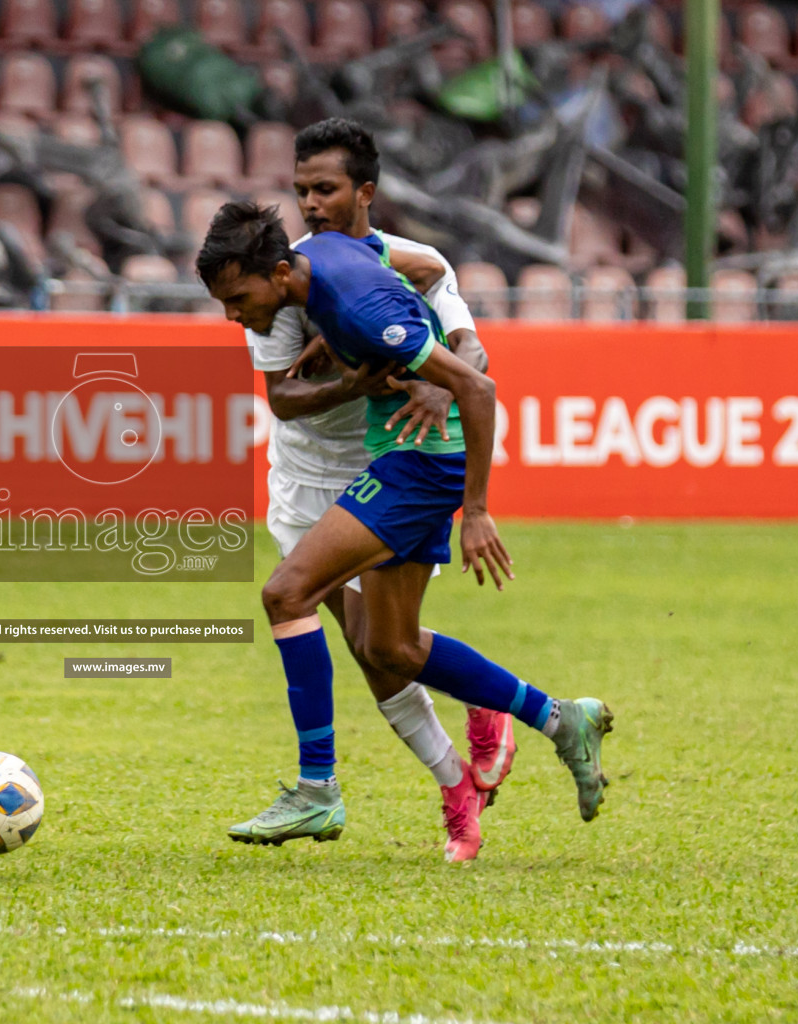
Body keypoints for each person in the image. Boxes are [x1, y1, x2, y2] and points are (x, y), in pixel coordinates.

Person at [198, 200, 613, 860]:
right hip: (404, 454)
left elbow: (477, 390)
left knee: (285, 595)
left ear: (279, 274)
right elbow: (421, 267)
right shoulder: (329, 252)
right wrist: (333, 342)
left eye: (237, 297)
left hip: (420, 463)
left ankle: (316, 789)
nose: (230, 314)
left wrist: (474, 510)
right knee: (387, 646)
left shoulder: (359, 307)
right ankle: (561, 719)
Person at [235, 119, 512, 862]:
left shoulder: (380, 263)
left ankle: (366, 779)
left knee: (381, 647)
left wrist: (445, 374)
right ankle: (456, 777)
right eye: (300, 192)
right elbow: (283, 400)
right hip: (303, 479)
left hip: (377, 465)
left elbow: (453, 318)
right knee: (373, 650)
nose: (311, 205)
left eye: (322, 189)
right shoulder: (274, 286)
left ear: (363, 192)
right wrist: (358, 382)